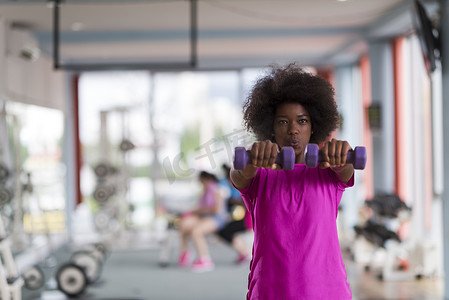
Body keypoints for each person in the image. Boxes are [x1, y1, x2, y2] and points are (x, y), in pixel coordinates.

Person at [230, 63, 356, 299]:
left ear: (314, 125)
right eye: (283, 122)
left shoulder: (328, 171)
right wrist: (253, 160)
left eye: (302, 121)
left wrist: (342, 154)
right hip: (270, 292)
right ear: (270, 127)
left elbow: (346, 169)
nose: (293, 131)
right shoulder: (259, 175)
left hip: (328, 292)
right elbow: (239, 174)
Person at [178, 170, 227, 272]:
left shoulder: (217, 190)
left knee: (196, 231)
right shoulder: (204, 191)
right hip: (203, 217)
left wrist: (198, 210)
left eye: (201, 181)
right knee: (184, 223)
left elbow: (216, 210)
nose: (200, 183)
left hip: (216, 218)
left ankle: (205, 259)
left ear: (205, 180)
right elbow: (201, 208)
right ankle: (185, 252)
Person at [216, 164, 252, 265]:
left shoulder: (243, 185)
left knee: (224, 231)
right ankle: (243, 252)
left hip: (248, 221)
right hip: (245, 218)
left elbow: (244, 202)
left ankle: (244, 252)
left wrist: (234, 201)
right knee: (226, 231)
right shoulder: (233, 185)